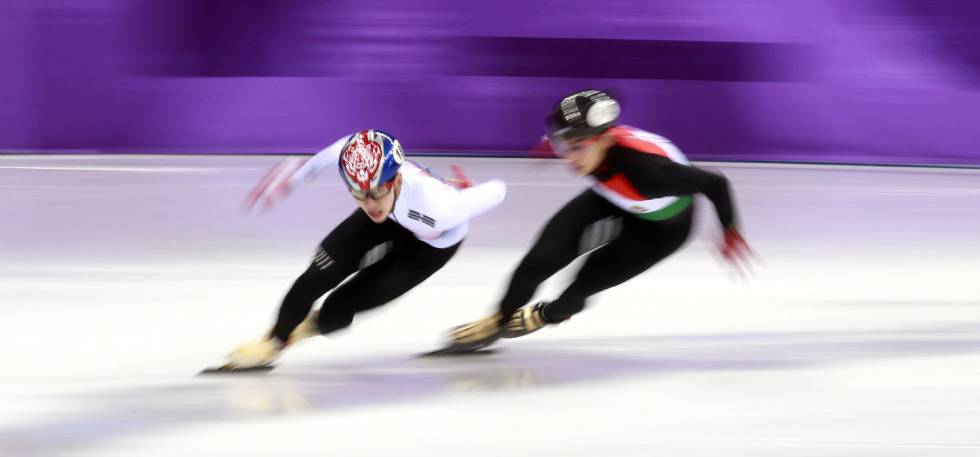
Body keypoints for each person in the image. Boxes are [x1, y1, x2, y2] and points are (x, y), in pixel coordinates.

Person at [441, 90, 751, 352]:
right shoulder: (594, 145)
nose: (569, 158)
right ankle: (499, 320)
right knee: (538, 261)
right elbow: (600, 105)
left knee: (577, 291)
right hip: (612, 198)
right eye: (561, 146)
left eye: (576, 147)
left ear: (605, 139)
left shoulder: (649, 173)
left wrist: (730, 229)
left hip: (660, 231)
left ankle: (549, 315)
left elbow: (715, 183)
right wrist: (561, 142)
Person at [218, 129, 507, 370]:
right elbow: (342, 147)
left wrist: (469, 195)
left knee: (339, 309)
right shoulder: (369, 181)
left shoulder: (441, 208)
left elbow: (499, 189)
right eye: (358, 192)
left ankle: (307, 328)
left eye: (375, 191)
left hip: (429, 247)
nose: (369, 204)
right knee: (315, 276)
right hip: (392, 218)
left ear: (395, 180)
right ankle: (273, 343)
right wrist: (297, 175)